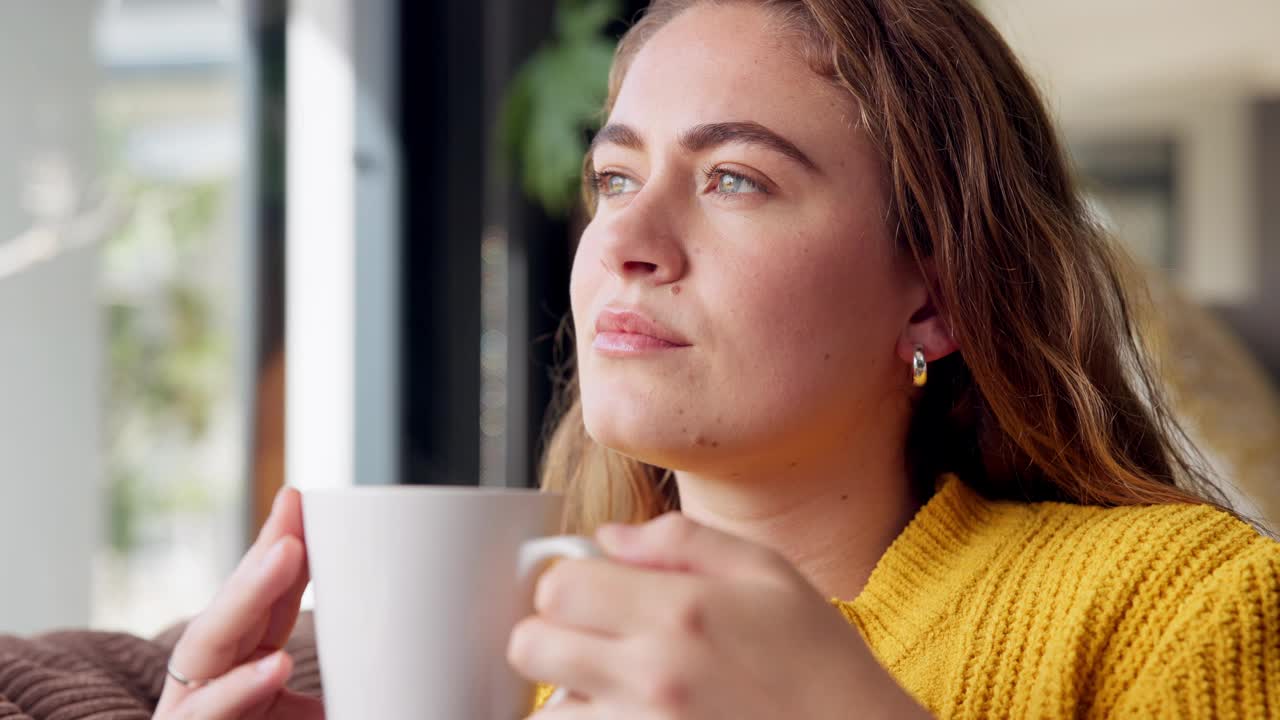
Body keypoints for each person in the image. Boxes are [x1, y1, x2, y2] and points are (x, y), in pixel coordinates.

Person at [154, 0, 1280, 718]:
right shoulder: (510, 654)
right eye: (613, 180)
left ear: (932, 297)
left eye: (734, 177)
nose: (624, 246)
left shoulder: (1183, 609)